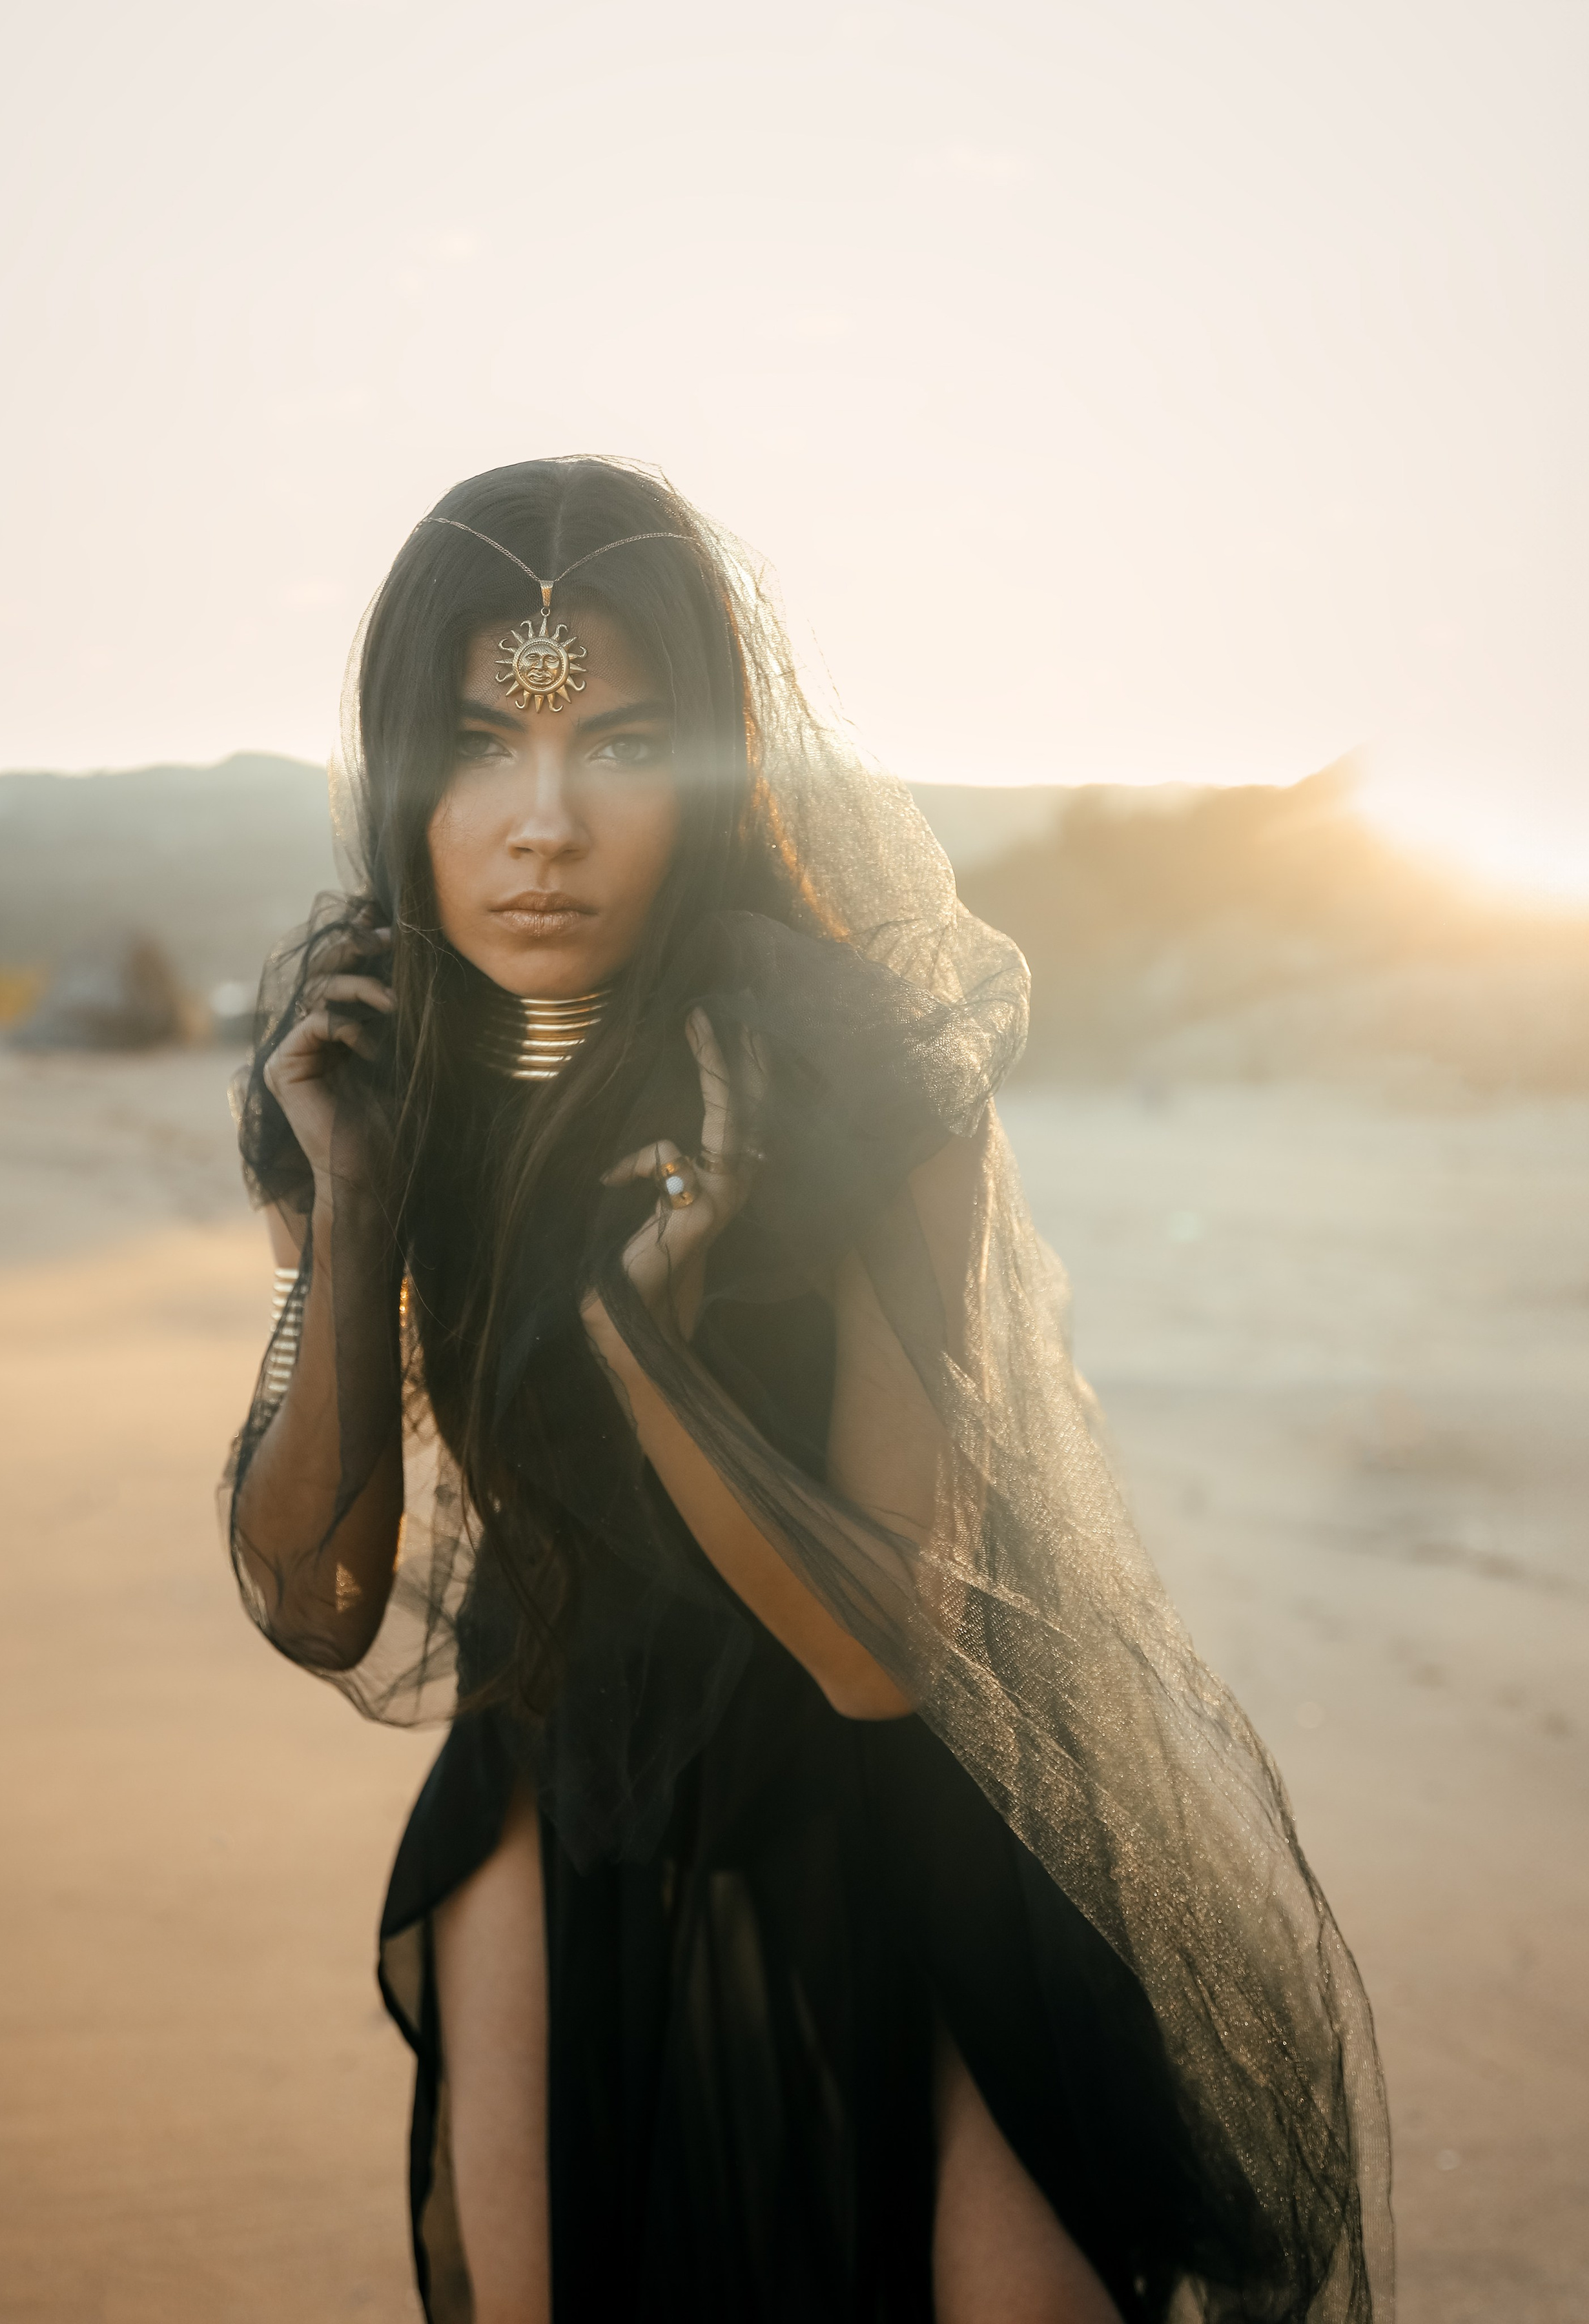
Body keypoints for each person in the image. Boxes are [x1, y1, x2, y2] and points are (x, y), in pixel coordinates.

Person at [225, 456, 1391, 2324]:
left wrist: (640, 1337)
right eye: (478, 749)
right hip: (567, 1781)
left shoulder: (860, 1080)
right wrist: (352, 1215)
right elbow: (316, 1596)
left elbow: (884, 1654)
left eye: (617, 749)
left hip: (904, 1820)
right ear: (402, 779)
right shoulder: (377, 1069)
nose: (543, 824)